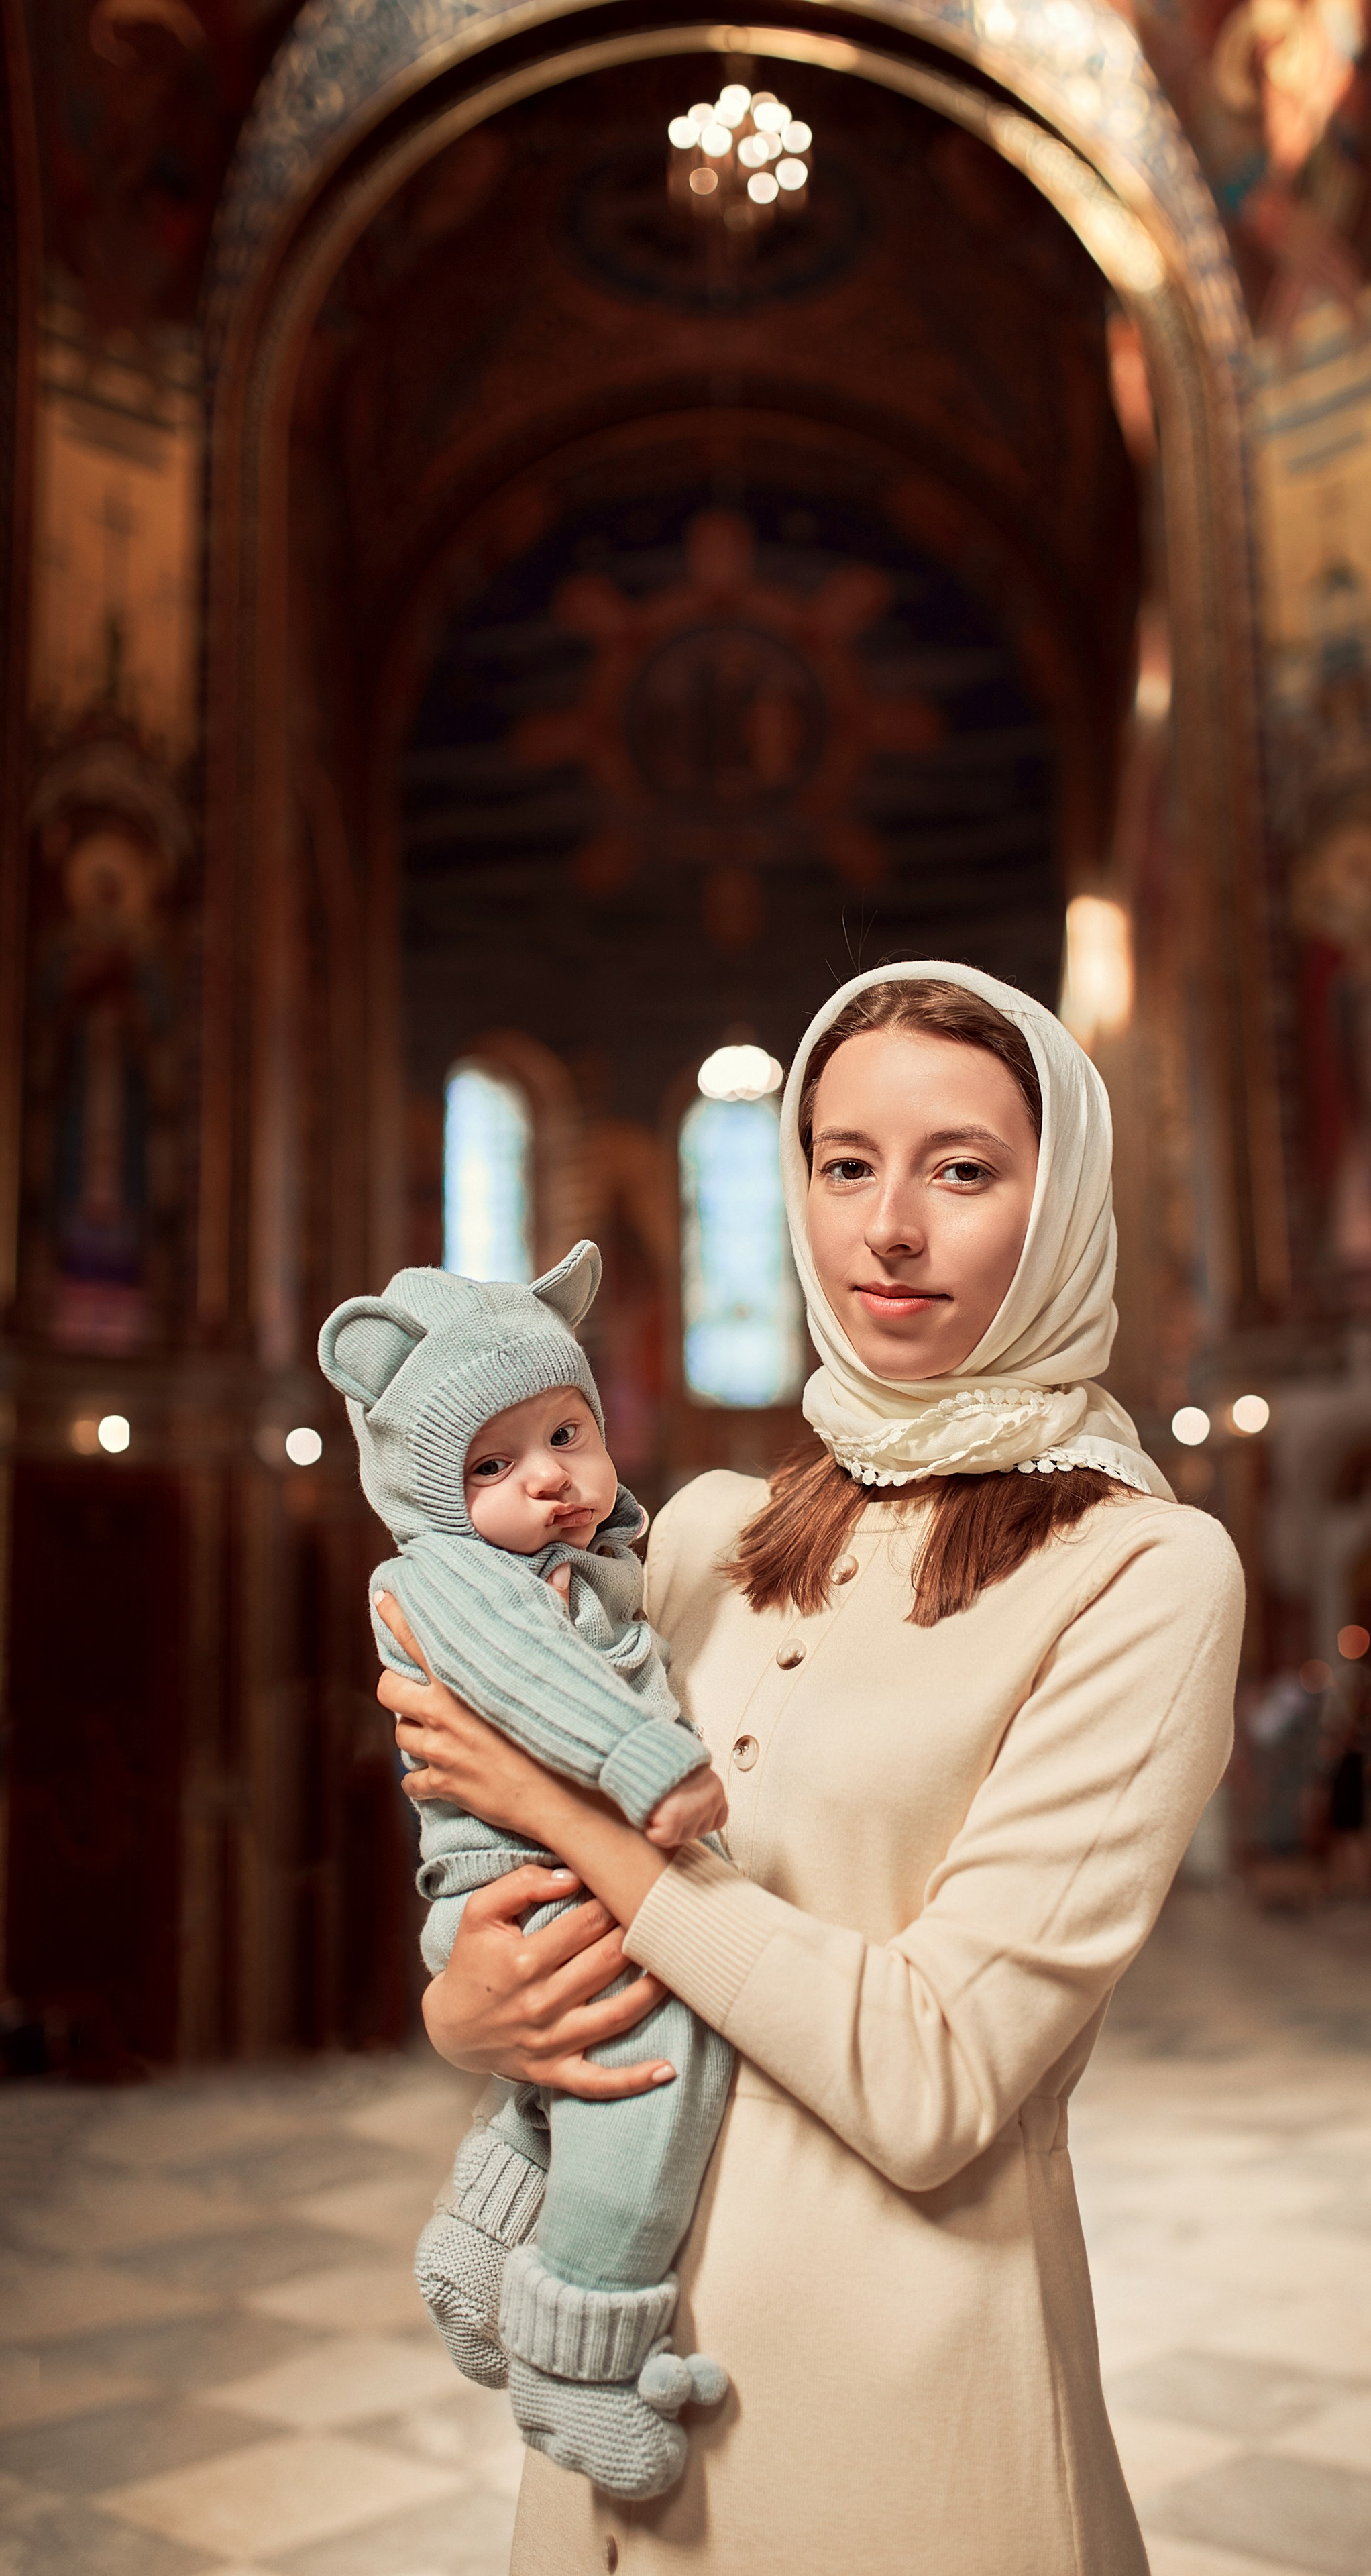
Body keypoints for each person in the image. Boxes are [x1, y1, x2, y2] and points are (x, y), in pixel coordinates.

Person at [378, 961, 1244, 2575]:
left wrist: (582, 1822)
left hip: (905, 2428)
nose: (886, 1229)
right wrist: (465, 2009)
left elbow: (932, 2085)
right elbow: (517, 1888)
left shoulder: (1144, 1574)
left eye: (960, 1169)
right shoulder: (699, 1532)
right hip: (609, 2400)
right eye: (843, 1164)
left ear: (1062, 1204)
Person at [318, 1248, 732, 2497]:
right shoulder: (449, 1577)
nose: (548, 1477)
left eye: (566, 1432)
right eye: (490, 1466)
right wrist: (645, 1761)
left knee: (585, 2074)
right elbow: (530, 1684)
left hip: (543, 1884)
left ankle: (484, 2230)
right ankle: (579, 2351)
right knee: (664, 2067)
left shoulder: (579, 1560)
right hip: (528, 1887)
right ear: (428, 1495)